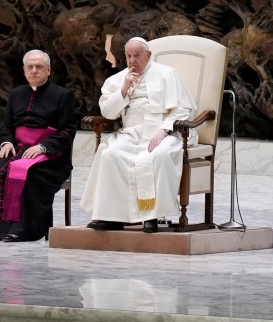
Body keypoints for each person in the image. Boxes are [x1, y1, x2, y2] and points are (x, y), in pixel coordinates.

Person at [0, 49, 82, 243]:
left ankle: (22, 230)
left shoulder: (62, 95)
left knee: (30, 172)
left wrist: (43, 147)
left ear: (48, 70)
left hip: (52, 157)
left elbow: (68, 131)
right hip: (18, 150)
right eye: (30, 67)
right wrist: (7, 142)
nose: (34, 70)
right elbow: (6, 126)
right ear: (24, 69)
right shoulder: (17, 93)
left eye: (39, 67)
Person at [82, 35, 197, 232]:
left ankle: (151, 216)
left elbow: (183, 109)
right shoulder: (117, 80)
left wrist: (164, 130)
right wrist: (124, 89)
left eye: (137, 55)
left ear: (148, 55)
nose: (132, 60)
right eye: (128, 56)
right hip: (132, 133)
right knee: (110, 155)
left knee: (159, 155)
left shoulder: (167, 74)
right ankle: (112, 217)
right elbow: (108, 112)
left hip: (165, 132)